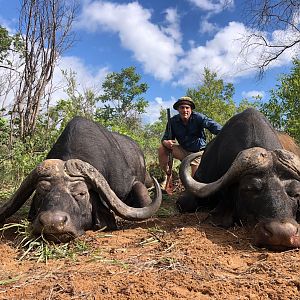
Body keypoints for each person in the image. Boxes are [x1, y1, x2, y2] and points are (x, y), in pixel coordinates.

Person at [158, 96, 222, 179]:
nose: (185, 111)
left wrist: (227, 132)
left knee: (195, 180)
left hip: (198, 153)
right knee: (162, 149)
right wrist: (166, 142)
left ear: (191, 109)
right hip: (183, 151)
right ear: (178, 109)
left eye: (187, 108)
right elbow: (165, 139)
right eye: (182, 108)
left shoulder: (199, 117)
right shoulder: (172, 121)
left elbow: (214, 127)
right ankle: (168, 176)